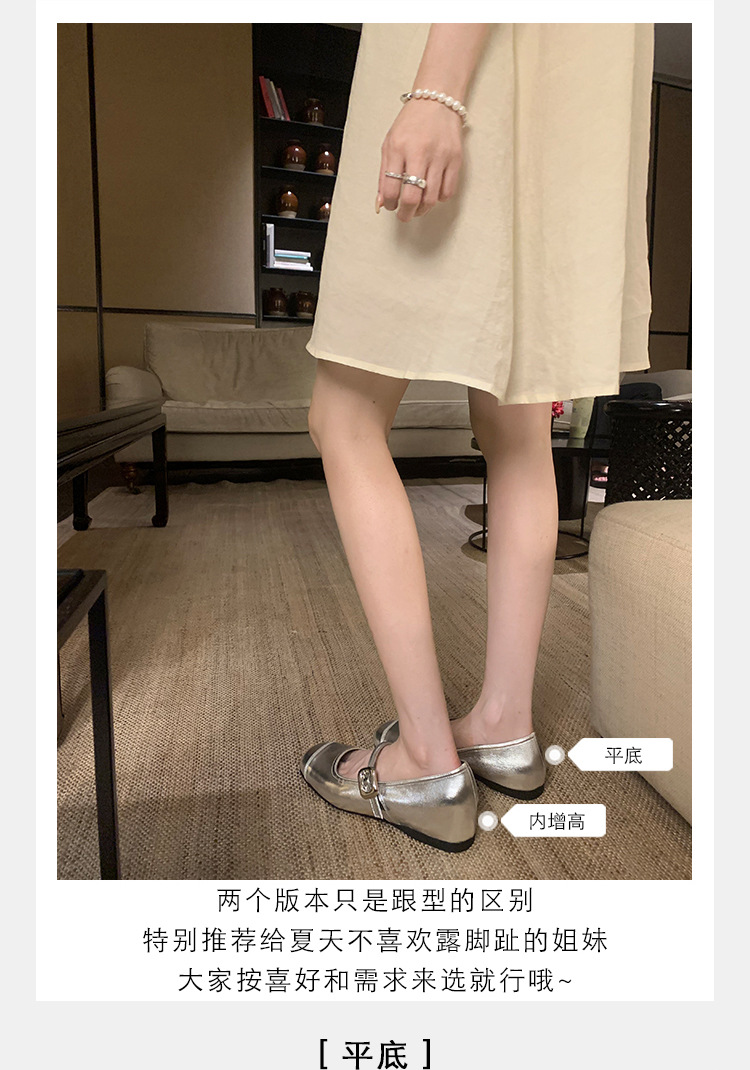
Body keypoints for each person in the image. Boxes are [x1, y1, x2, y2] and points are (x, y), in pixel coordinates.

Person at [299, 23, 654, 852]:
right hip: (574, 119)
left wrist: (436, 90)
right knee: (519, 419)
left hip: (466, 78)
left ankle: (424, 761)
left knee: (344, 415)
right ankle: (504, 725)